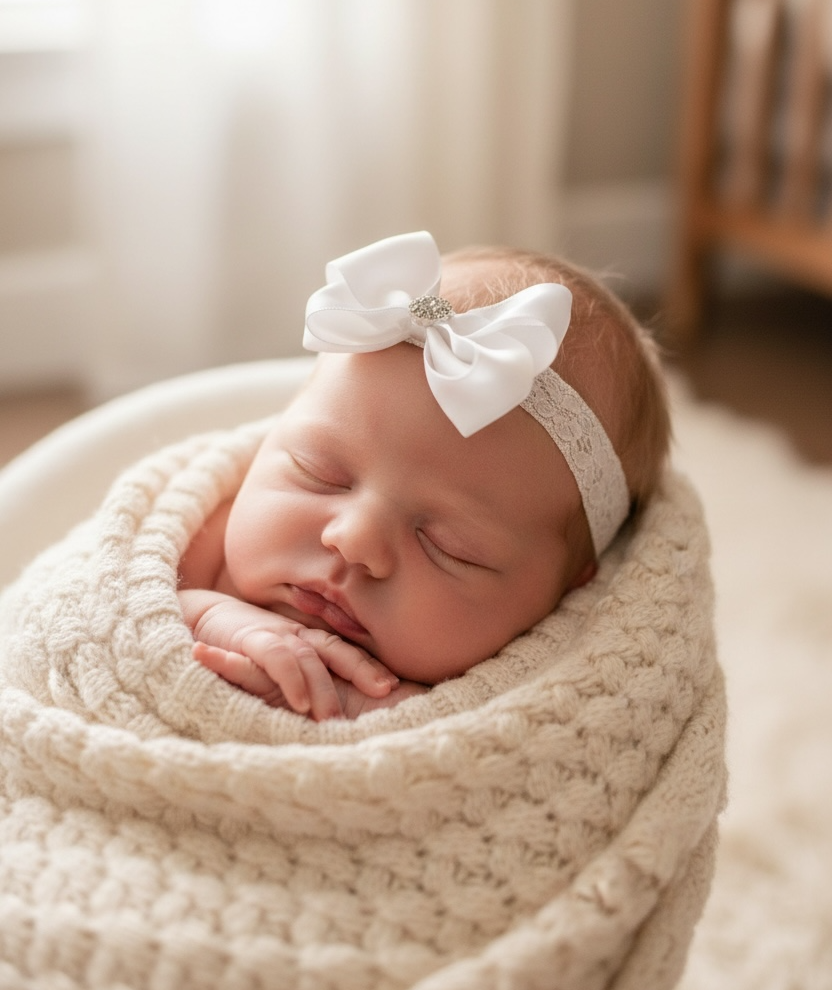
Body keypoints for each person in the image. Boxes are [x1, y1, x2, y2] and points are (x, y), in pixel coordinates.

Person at [178, 231, 671, 720]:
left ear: (568, 592)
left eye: (447, 546)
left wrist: (379, 718)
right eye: (318, 473)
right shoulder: (198, 545)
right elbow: (109, 605)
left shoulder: (529, 706)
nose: (354, 541)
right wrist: (205, 617)